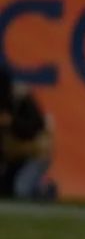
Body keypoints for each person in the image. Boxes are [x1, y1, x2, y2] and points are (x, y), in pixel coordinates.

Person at [0, 68, 55, 200]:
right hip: (13, 157)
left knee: (22, 190)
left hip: (35, 154)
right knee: (6, 192)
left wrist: (12, 122)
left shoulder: (21, 98)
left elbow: (36, 127)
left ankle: (45, 189)